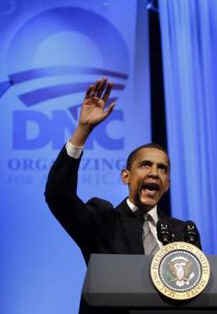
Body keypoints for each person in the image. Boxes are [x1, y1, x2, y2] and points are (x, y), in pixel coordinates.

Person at [45, 78, 201, 314]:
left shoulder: (183, 232)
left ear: (167, 184)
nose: (154, 173)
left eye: (162, 169)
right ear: (126, 176)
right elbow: (58, 195)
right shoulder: (102, 219)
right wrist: (82, 131)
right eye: (146, 165)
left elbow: (198, 296)